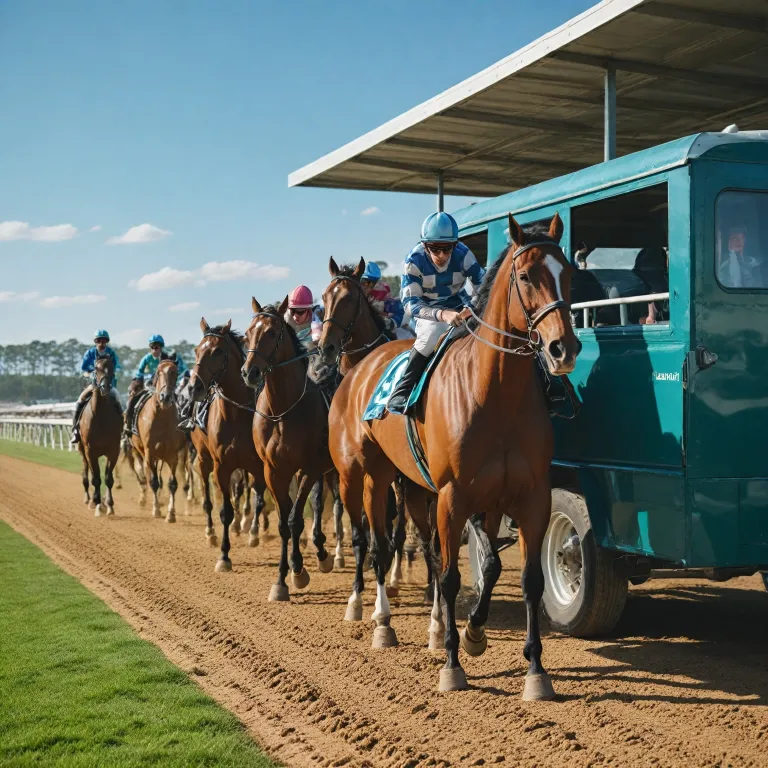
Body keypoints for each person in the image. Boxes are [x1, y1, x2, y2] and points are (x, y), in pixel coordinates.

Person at [387, 211, 485, 414]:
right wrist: (442, 315)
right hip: (427, 311)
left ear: (455, 245)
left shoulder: (464, 254)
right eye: (434, 248)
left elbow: (484, 287)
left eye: (447, 248)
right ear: (424, 245)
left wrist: (470, 309)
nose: (441, 255)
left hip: (460, 305)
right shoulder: (414, 259)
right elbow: (409, 303)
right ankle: (402, 390)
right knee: (432, 334)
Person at [124, 334, 188, 437]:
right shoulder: (146, 358)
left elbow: (178, 370)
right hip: (149, 386)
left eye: (157, 347)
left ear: (161, 348)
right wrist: (144, 379)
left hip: (167, 386)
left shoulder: (167, 357)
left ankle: (186, 426)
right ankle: (128, 425)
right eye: (152, 347)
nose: (154, 350)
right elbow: (139, 373)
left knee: (184, 400)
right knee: (132, 400)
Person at [70, 329, 123, 444]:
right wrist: (91, 373)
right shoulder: (90, 353)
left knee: (118, 398)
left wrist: (114, 373)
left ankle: (122, 429)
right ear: (95, 341)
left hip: (108, 385)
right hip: (93, 384)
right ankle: (75, 430)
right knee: (79, 401)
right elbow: (83, 369)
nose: (101, 343)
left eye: (104, 341)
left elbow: (118, 367)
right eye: (99, 341)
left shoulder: (111, 353)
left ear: (106, 342)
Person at [360, 262, 406, 334]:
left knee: (399, 305)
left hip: (379, 322)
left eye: (373, 282)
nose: (368, 286)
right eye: (365, 282)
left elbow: (391, 307)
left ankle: (392, 324)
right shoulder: (354, 289)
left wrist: (388, 318)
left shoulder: (383, 288)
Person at [718, 224, 764, 289]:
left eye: (741, 237)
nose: (738, 241)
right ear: (729, 241)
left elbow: (759, 286)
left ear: (745, 240)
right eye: (734, 238)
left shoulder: (754, 263)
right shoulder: (720, 263)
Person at [284, 285, 323, 351]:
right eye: (293, 311)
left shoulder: (316, 319)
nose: (295, 316)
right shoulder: (286, 319)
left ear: (308, 310)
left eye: (300, 312)